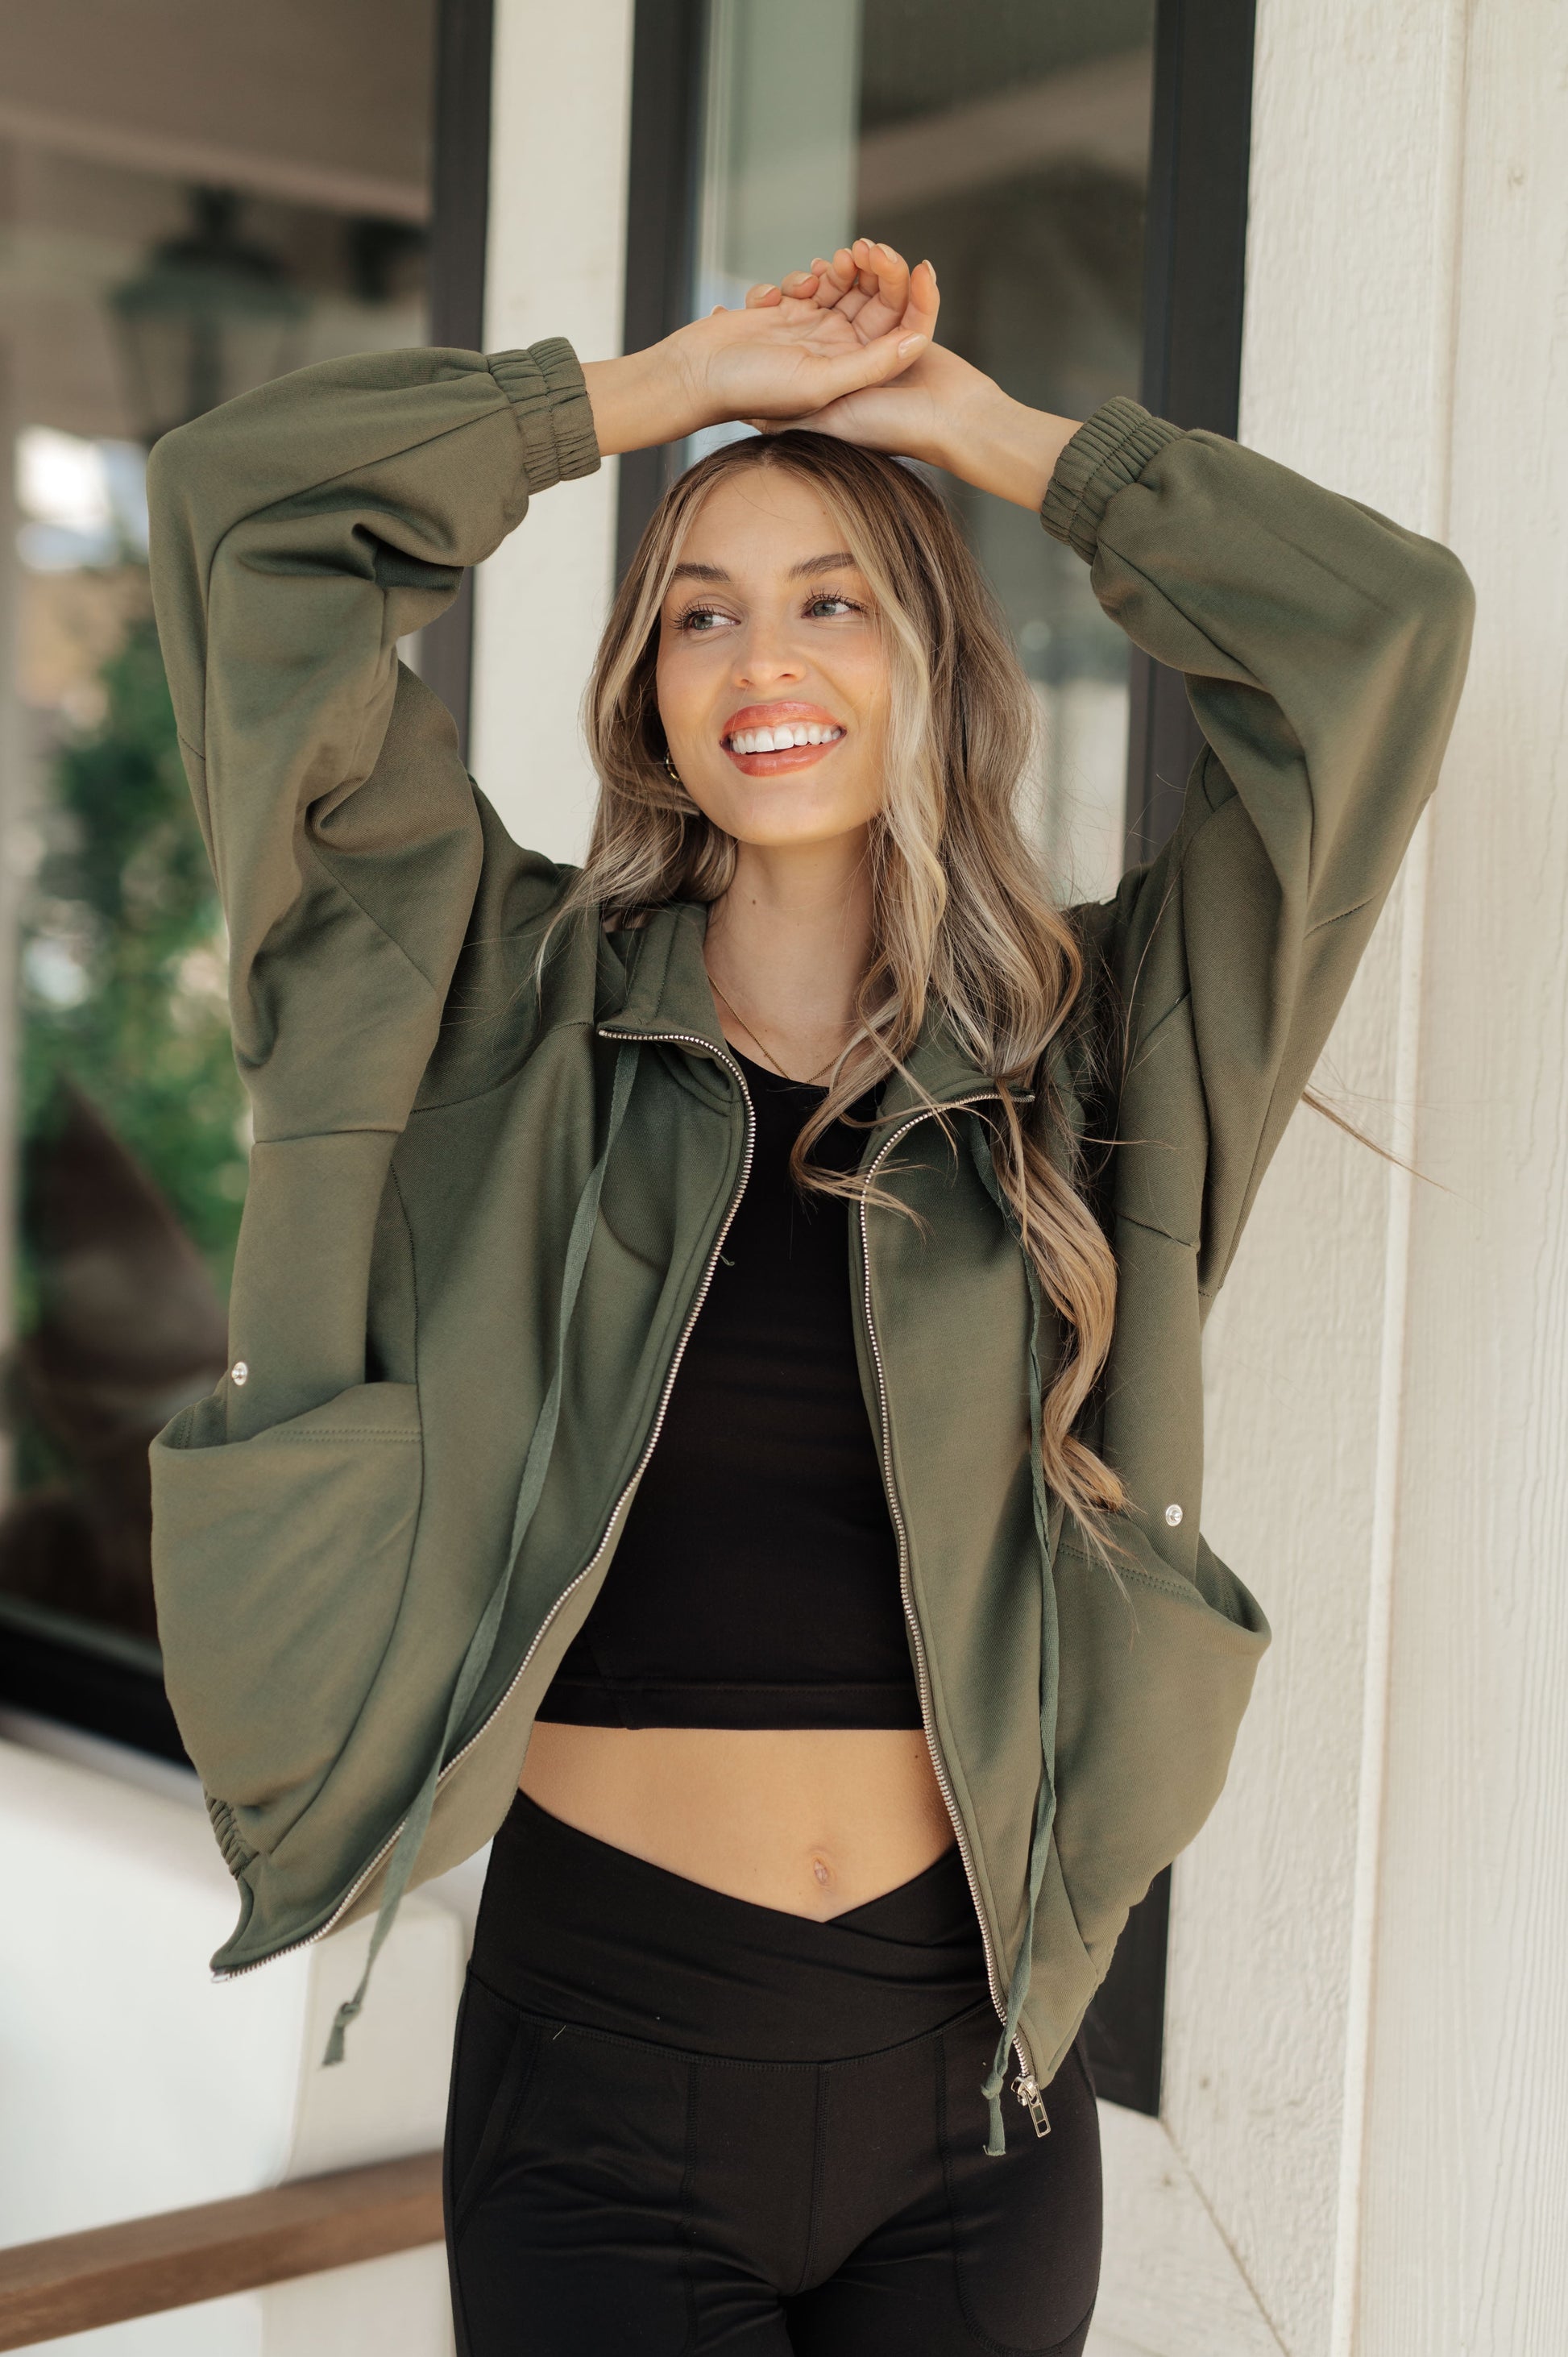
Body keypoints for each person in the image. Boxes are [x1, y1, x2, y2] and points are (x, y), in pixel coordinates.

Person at [145, 238, 1472, 2355]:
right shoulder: (488, 1001)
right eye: (701, 607)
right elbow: (246, 519)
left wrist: (980, 433)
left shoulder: (1098, 1051)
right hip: (597, 2079)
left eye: (830, 597)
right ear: (647, 683)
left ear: (932, 652)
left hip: (975, 2097)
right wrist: (651, 390)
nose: (760, 656)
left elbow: (1380, 636)